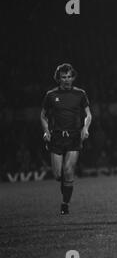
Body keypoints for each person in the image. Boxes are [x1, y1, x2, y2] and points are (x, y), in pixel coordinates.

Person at [40, 63, 92, 215]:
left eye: (69, 76)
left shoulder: (80, 94)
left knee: (69, 171)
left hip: (74, 137)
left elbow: (89, 114)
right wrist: (46, 131)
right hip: (56, 137)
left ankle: (65, 204)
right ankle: (66, 185)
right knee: (58, 175)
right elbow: (42, 115)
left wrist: (85, 128)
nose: (67, 80)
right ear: (58, 78)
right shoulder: (51, 95)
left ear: (73, 77)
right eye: (64, 77)